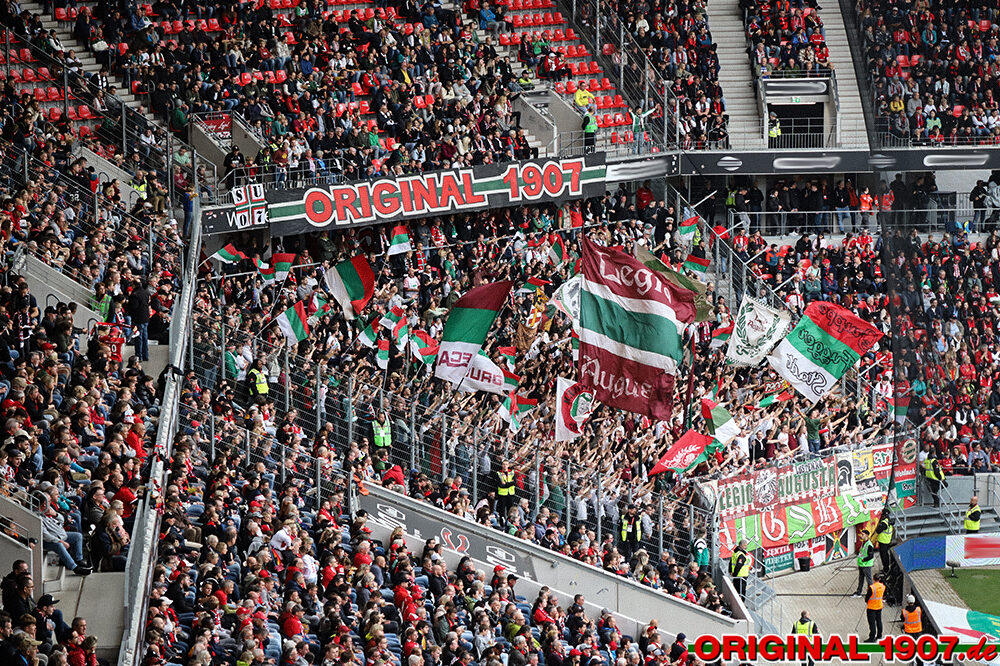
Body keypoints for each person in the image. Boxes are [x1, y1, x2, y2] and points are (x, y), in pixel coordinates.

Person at [853, 529, 875, 597]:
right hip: (861, 564)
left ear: (867, 535)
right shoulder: (864, 543)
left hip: (866, 565)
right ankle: (858, 592)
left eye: (863, 534)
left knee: (869, 580)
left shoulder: (869, 545)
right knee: (861, 579)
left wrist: (863, 560)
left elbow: (871, 556)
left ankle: (871, 593)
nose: (861, 536)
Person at [865, 573, 886, 642]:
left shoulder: (872, 587)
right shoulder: (883, 586)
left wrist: (867, 600)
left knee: (872, 623)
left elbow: (867, 598)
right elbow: (884, 594)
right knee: (879, 621)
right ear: (879, 579)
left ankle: (872, 637)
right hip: (879, 606)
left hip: (871, 607)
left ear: (873, 579)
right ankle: (879, 635)